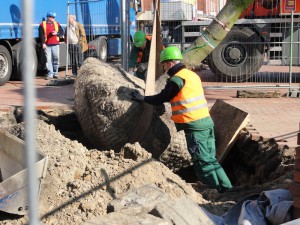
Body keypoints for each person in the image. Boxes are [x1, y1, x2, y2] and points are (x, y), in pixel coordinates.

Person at [131, 46, 232, 193]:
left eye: (164, 64)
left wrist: (143, 98)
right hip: (206, 122)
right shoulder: (191, 75)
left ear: (170, 63)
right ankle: (227, 189)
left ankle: (213, 192)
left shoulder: (177, 80)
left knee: (202, 162)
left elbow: (162, 98)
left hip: (195, 127)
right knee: (210, 160)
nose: (164, 68)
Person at [39, 11, 64, 80]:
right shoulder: (42, 25)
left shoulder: (57, 24)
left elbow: (62, 32)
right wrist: (43, 43)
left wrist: (57, 33)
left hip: (55, 44)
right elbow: (41, 35)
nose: (53, 18)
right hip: (47, 44)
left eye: (54, 17)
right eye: (52, 17)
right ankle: (50, 74)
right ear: (48, 17)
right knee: (48, 60)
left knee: (56, 58)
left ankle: (55, 73)